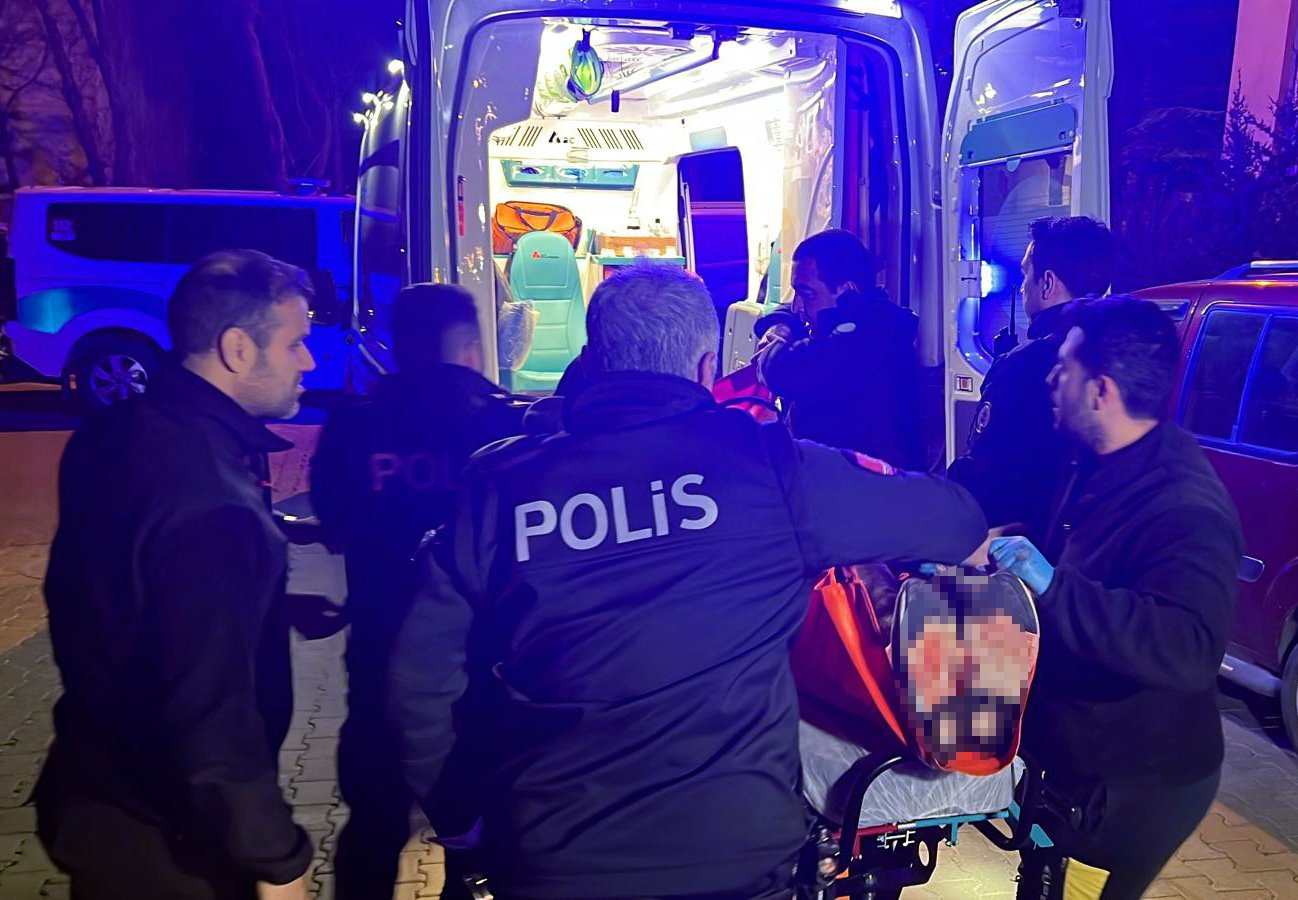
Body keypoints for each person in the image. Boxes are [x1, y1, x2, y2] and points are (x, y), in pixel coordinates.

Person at [389, 261, 988, 900]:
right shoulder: (770, 467)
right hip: (735, 859)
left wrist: (458, 816)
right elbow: (956, 521)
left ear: (594, 360)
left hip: (553, 859)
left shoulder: (501, 485)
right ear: (707, 368)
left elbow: (416, 677)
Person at [36, 250, 318, 899]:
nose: (308, 361)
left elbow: (122, 590)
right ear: (238, 348)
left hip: (96, 785)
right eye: (295, 342)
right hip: (176, 838)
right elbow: (212, 709)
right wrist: (276, 858)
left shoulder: (116, 433)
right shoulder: (214, 499)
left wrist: (265, 605)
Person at [989, 296, 1242, 900]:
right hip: (1071, 761)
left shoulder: (1183, 504)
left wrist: (1053, 584)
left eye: (1065, 367)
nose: (1051, 378)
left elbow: (1188, 647)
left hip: (1127, 788)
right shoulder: (1101, 459)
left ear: (1100, 390)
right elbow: (1085, 557)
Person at [310, 284, 529, 900]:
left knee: (373, 828)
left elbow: (333, 515)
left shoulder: (355, 421)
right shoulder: (501, 422)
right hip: (480, 672)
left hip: (379, 655)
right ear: (470, 347)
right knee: (481, 840)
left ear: (400, 344)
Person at [948, 216, 1115, 546]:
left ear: (1047, 282)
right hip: (1091, 543)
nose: (1023, 286)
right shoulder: (1123, 352)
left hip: (1019, 543)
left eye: (1026, 274)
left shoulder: (1020, 367)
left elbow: (984, 470)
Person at [753, 229, 925, 470]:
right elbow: (787, 311)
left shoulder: (867, 342)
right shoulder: (877, 322)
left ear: (847, 292)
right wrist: (782, 323)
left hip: (865, 489)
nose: (796, 306)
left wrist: (775, 341)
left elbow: (779, 369)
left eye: (806, 294)